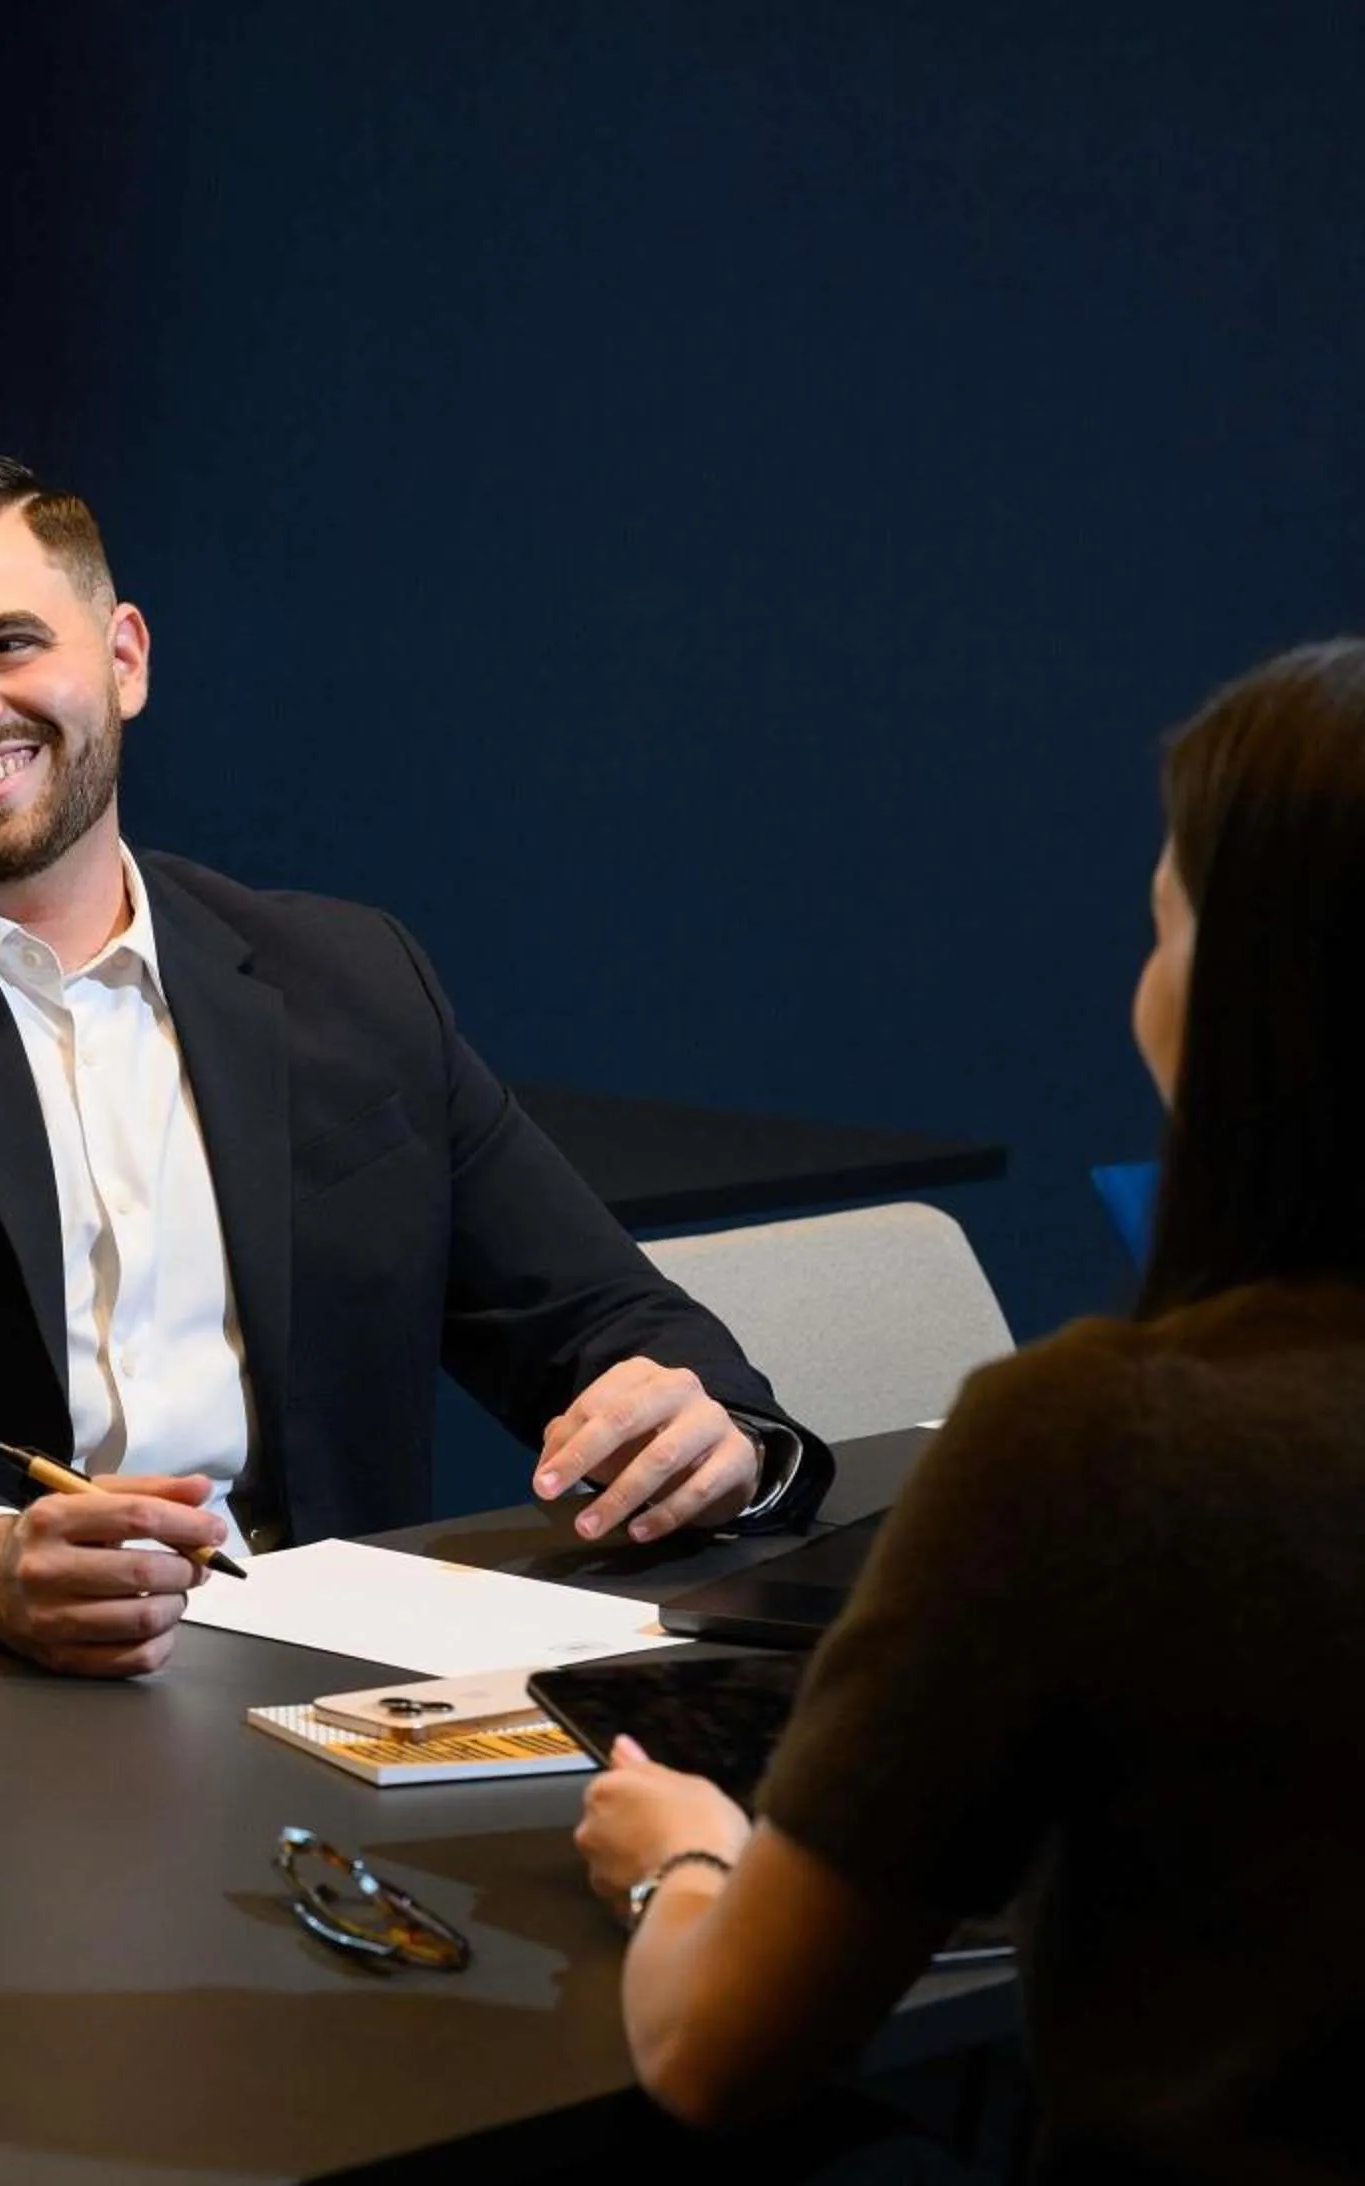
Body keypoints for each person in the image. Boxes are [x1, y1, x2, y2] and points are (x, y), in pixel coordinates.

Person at [0, 454, 832, 1676]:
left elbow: (601, 1316)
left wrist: (722, 1438)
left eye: (10, 644)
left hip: (290, 1666)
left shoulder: (349, 975)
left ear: (123, 661)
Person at [572, 643, 1365, 2180]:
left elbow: (716, 2049)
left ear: (1240, 995)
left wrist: (683, 1858)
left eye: (1164, 923)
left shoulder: (1100, 1448)